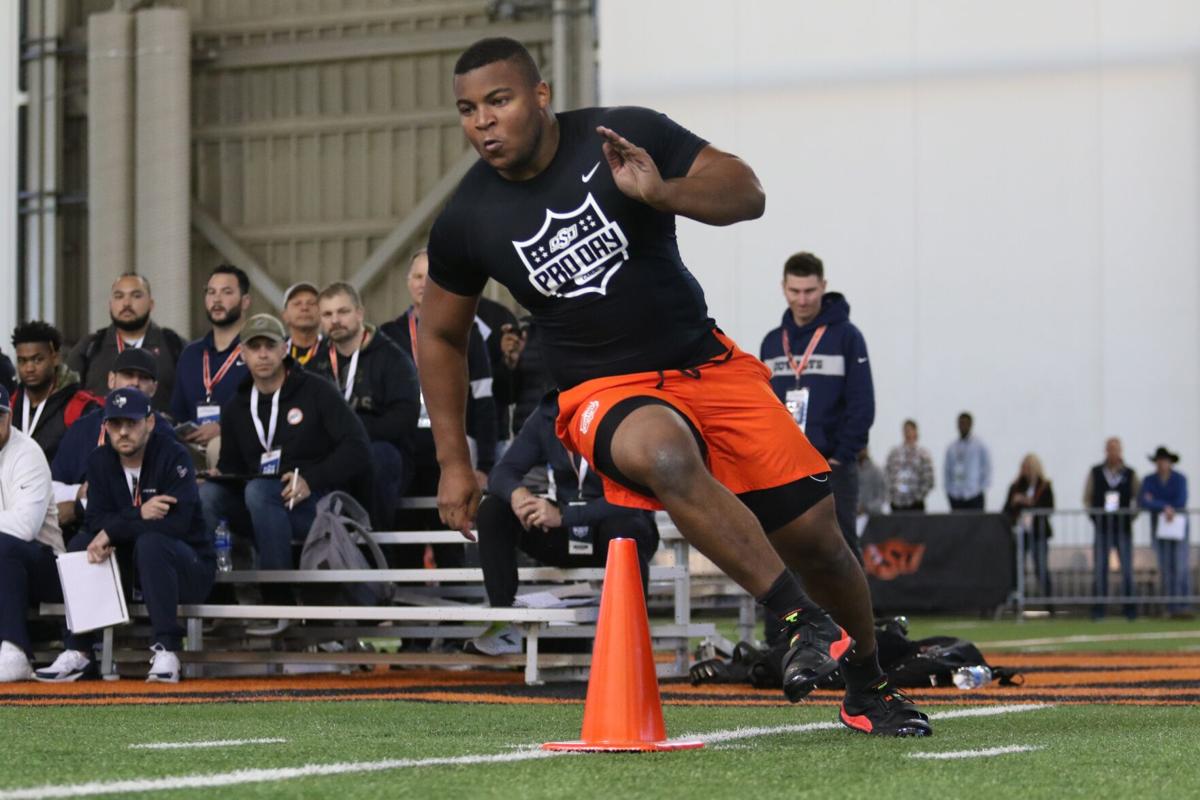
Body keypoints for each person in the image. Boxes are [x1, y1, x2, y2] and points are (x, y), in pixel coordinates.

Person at [415, 37, 929, 736]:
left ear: (539, 96)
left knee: (819, 538)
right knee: (663, 454)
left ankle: (867, 686)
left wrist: (664, 193)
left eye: (498, 101)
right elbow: (440, 334)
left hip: (706, 364)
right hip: (601, 390)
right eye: (467, 109)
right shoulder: (467, 218)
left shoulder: (623, 137)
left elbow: (748, 193)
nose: (483, 122)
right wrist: (453, 460)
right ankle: (800, 619)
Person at [198, 314, 371, 628]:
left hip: (315, 506)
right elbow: (235, 467)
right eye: (254, 347)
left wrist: (311, 479)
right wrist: (219, 475)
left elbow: (358, 448)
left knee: (260, 491)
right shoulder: (237, 405)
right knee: (208, 495)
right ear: (243, 354)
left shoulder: (316, 391)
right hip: (261, 509)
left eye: (270, 346)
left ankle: (279, 603)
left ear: (284, 349)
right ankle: (214, 599)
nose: (262, 354)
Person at [35, 387, 214, 683]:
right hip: (132, 567)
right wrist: (138, 514)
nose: (123, 432)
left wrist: (115, 529)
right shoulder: (100, 461)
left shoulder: (173, 455)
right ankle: (78, 651)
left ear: (150, 423)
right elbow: (94, 521)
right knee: (82, 544)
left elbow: (177, 525)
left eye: (131, 423)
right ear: (105, 427)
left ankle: (167, 648)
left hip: (188, 569)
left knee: (152, 542)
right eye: (115, 424)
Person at [469, 391, 659, 655]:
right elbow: (502, 472)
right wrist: (517, 494)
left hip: (616, 530)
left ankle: (630, 641)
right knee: (493, 509)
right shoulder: (549, 411)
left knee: (623, 527)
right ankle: (503, 622)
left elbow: (635, 498)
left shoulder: (622, 409)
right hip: (567, 531)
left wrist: (564, 516)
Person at [759, 251, 875, 559]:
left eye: (810, 291)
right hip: (785, 470)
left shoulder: (847, 337)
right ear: (783, 288)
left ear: (823, 286)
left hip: (832, 466)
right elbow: (763, 406)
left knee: (840, 552)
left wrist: (842, 456)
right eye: (795, 291)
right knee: (785, 553)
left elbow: (862, 403)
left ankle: (850, 611)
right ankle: (792, 612)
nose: (802, 300)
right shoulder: (772, 343)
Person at [381, 249, 498, 495]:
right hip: (407, 445)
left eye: (431, 276)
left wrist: (486, 465)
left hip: (458, 442)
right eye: (417, 276)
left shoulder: (467, 330)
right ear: (408, 282)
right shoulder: (389, 335)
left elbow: (484, 398)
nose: (424, 284)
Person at [308, 281, 420, 528]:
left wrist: (353, 433)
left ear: (359, 313)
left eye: (343, 312)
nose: (335, 320)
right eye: (327, 314)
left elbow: (404, 418)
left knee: (377, 458)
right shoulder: (314, 365)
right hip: (334, 451)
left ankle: (375, 546)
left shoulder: (393, 358)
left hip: (382, 450)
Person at [50, 348, 176, 534]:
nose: (135, 382)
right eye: (128, 375)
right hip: (84, 528)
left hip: (142, 530)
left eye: (143, 377)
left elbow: (165, 498)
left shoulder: (162, 431)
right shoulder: (83, 427)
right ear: (111, 380)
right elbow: (51, 488)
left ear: (154, 388)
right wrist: (78, 493)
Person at [0, 385, 64, 682]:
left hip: (47, 566)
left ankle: (15, 651)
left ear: (9, 416)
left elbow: (25, 528)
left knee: (4, 546)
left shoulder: (26, 453)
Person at [171, 264, 252, 468]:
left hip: (241, 446)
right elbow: (177, 412)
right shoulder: (191, 354)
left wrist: (223, 428)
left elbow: (269, 408)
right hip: (192, 448)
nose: (216, 300)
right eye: (211, 292)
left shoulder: (258, 349)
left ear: (245, 302)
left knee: (218, 446)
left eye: (226, 292)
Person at [66, 273, 185, 412]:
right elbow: (64, 399)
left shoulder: (173, 345)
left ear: (151, 304)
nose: (126, 303)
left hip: (159, 431)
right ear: (110, 305)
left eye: (136, 295)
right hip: (102, 432)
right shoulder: (90, 346)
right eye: (119, 296)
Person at [10, 321, 102, 463]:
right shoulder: (9, 406)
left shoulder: (81, 408)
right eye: (22, 361)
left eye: (37, 359)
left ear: (55, 358)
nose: (29, 368)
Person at [1084, 437, 1139, 620]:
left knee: (1128, 571)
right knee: (1100, 569)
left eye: (1116, 449)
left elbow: (1136, 498)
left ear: (1120, 451)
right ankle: (1098, 610)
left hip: (1123, 528)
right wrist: (1094, 516)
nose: (1113, 452)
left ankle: (1130, 609)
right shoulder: (1096, 472)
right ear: (1106, 451)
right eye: (1110, 449)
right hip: (1102, 528)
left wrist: (1131, 517)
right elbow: (1087, 497)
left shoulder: (1129, 473)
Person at [1140, 446, 1190, 618]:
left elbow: (1181, 500)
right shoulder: (1149, 480)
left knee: (1180, 565)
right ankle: (1171, 606)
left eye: (1165, 461)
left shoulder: (1180, 479)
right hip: (1160, 527)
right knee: (1166, 567)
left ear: (1170, 463)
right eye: (1160, 461)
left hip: (1177, 527)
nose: (1162, 464)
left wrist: (1161, 504)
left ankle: (1184, 605)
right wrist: (1165, 507)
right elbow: (1144, 501)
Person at [475, 295, 525, 459]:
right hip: (440, 433)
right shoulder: (437, 316)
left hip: (492, 433)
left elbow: (510, 394)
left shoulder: (499, 316)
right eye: (418, 277)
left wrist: (508, 362)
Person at [1003, 454, 1055, 598]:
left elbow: (1049, 508)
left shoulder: (1044, 486)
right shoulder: (1015, 487)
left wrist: (1029, 502)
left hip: (1039, 533)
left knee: (1041, 567)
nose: (1025, 470)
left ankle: (1049, 601)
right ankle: (1017, 599)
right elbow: (1006, 510)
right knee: (1018, 567)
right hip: (1021, 533)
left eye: (1028, 467)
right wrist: (1014, 502)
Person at [885, 420, 934, 512]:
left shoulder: (923, 454)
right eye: (905, 430)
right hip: (897, 503)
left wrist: (918, 497)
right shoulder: (894, 453)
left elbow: (929, 480)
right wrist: (890, 496)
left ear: (916, 432)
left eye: (910, 430)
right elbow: (887, 474)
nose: (907, 433)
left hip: (915, 504)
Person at [944, 412, 991, 510]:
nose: (963, 426)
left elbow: (986, 467)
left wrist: (981, 488)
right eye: (960, 423)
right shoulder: (952, 447)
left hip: (974, 494)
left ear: (970, 425)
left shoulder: (979, 445)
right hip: (956, 495)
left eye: (965, 423)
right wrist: (949, 490)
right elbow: (947, 469)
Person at [280, 281, 323, 366]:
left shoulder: (334, 350)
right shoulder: (275, 352)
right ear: (285, 315)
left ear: (322, 313)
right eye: (297, 304)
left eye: (311, 303)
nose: (304, 308)